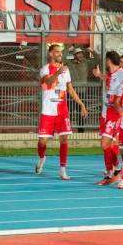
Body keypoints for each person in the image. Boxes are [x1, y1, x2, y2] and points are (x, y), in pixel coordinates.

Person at [36, 44, 88, 180]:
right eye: (57, 52)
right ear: (50, 54)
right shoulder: (45, 69)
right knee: (42, 142)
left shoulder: (66, 70)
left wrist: (81, 104)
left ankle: (62, 169)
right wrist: (57, 73)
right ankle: (42, 158)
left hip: (62, 111)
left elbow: (70, 89)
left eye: (61, 52)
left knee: (64, 139)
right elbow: (48, 82)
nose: (60, 54)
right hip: (48, 111)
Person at [96, 50, 123, 186]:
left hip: (114, 114)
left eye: (106, 59)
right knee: (106, 146)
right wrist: (99, 75)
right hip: (105, 112)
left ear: (108, 60)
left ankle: (118, 168)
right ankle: (110, 172)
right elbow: (109, 80)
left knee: (105, 144)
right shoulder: (111, 74)